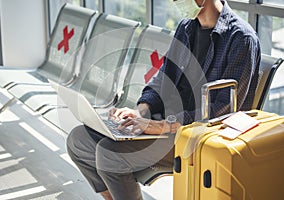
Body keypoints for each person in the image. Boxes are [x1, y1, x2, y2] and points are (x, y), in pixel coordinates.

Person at [66, 0, 261, 199]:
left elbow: (223, 110)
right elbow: (164, 76)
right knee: (78, 140)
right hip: (163, 125)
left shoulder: (242, 39)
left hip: (196, 138)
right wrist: (140, 111)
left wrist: (162, 126)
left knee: (109, 155)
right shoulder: (186, 28)